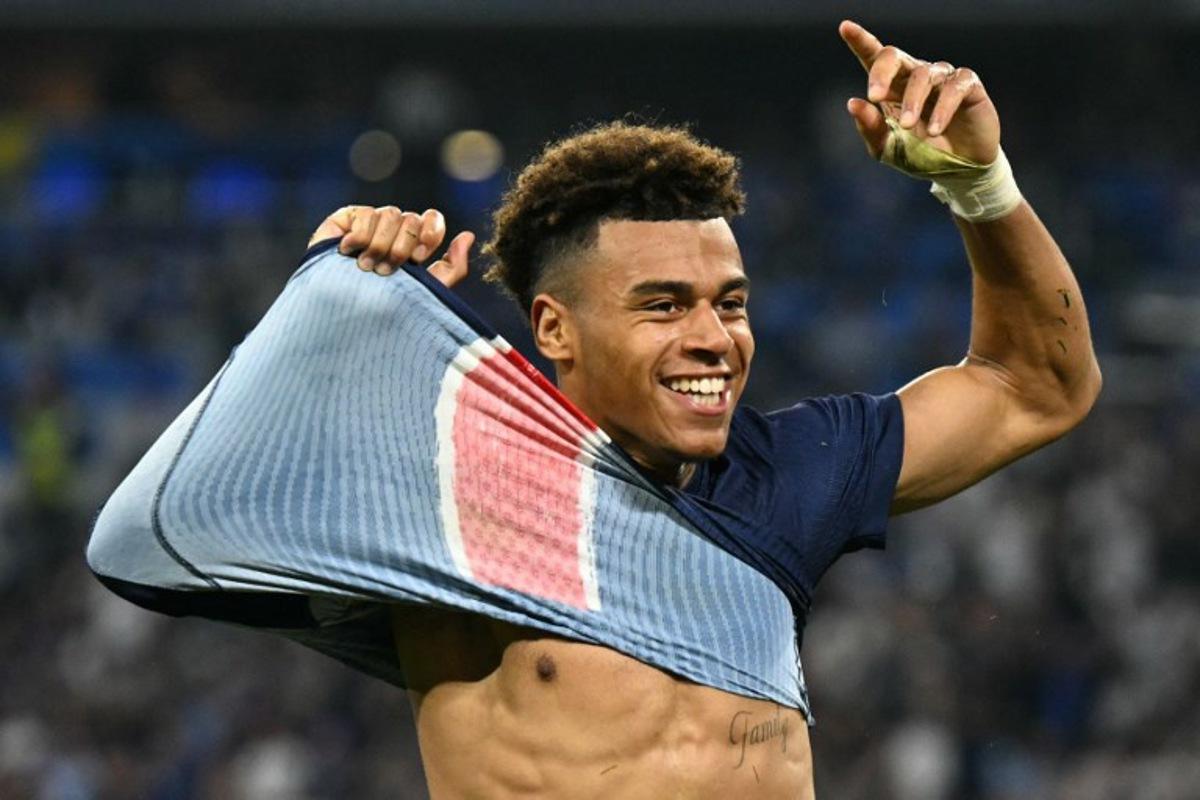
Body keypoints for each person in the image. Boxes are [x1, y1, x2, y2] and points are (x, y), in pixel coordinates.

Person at [94, 20, 1100, 799]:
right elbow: (150, 533)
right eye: (663, 305)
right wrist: (327, 309)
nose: (714, 336)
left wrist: (980, 183)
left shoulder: (790, 470)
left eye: (731, 302)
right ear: (555, 327)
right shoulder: (449, 475)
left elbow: (1037, 385)